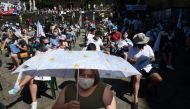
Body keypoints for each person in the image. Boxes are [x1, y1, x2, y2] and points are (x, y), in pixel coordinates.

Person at [127, 33, 162, 109]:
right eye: (141, 44)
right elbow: (128, 59)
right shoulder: (132, 49)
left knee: (159, 79)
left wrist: (152, 59)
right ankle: (135, 100)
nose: (143, 45)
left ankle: (148, 87)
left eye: (143, 44)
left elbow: (153, 58)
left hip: (148, 67)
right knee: (136, 78)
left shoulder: (148, 47)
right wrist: (132, 60)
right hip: (137, 68)